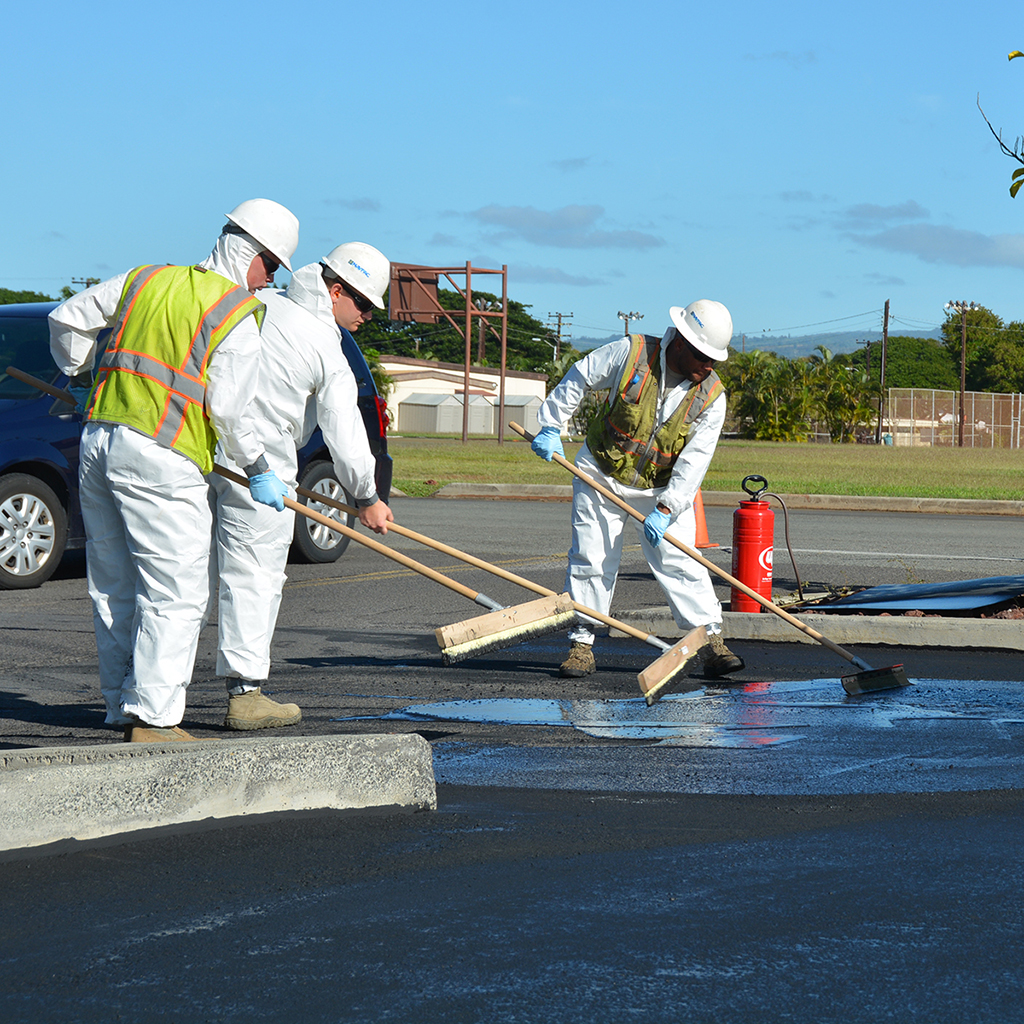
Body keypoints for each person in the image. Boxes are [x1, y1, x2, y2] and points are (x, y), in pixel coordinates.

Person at [48, 199, 300, 742]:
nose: (269, 280)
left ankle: (121, 706)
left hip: (98, 442)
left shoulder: (146, 279)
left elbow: (66, 318)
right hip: (161, 457)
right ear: (250, 251)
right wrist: (258, 466)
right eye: (272, 266)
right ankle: (155, 719)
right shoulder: (235, 313)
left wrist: (76, 370)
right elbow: (229, 410)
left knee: (114, 586)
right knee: (177, 592)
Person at [209, 242, 394, 730]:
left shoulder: (259, 303)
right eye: (365, 306)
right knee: (255, 574)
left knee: (178, 579)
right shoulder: (322, 341)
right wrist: (367, 498)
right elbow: (345, 430)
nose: (367, 318)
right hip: (261, 463)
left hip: (202, 449)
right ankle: (245, 694)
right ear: (336, 291)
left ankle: (137, 697)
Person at [531, 299, 745, 680]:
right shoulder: (631, 354)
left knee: (681, 561)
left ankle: (711, 642)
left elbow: (695, 462)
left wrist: (667, 509)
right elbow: (580, 376)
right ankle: (582, 643)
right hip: (601, 470)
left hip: (659, 488)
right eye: (702, 356)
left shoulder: (712, 397)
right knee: (592, 556)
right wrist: (551, 424)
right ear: (679, 341)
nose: (708, 366)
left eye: (714, 360)